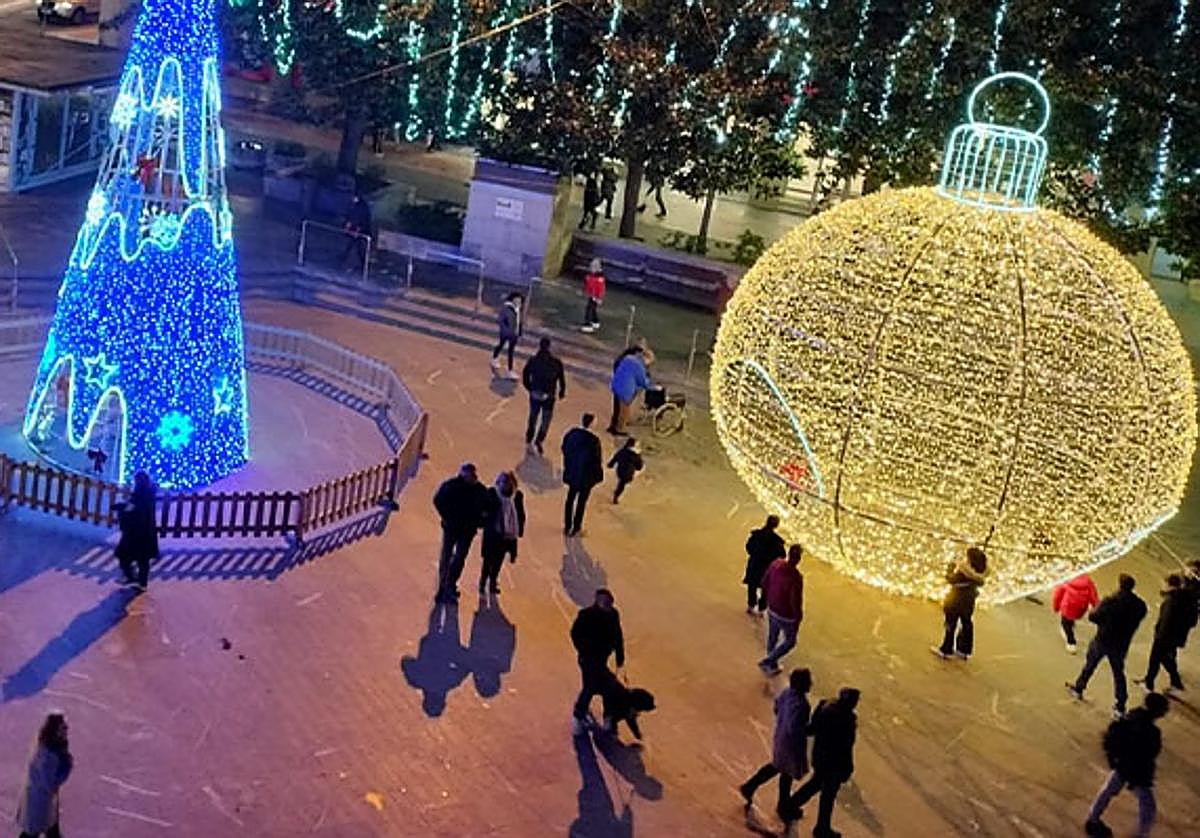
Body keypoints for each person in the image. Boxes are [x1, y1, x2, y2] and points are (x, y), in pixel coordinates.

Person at [1084, 692, 1169, 837]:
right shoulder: (1151, 731)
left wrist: (1113, 760)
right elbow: (1149, 755)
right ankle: (1141, 835)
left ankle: (1093, 821)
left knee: (1108, 790)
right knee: (1148, 805)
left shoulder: (1130, 718)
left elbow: (1110, 737)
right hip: (1136, 772)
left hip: (1122, 765)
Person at [1067, 574, 1147, 717]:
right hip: (1121, 643)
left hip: (1103, 639)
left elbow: (1093, 617)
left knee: (1090, 665)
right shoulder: (1140, 605)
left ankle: (1079, 688)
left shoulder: (1111, 601)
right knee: (1118, 673)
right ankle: (1120, 705)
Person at [783, 687, 859, 836]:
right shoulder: (847, 719)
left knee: (816, 784)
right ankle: (821, 827)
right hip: (834, 763)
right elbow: (846, 746)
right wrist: (848, 767)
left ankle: (792, 805)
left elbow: (812, 729)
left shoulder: (825, 706)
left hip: (820, 756)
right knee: (827, 795)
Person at [739, 667, 812, 822]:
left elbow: (777, 708)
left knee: (782, 769)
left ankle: (777, 801)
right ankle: (754, 789)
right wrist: (808, 730)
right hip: (791, 743)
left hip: (781, 736)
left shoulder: (786, 694)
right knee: (782, 770)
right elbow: (795, 727)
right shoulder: (801, 704)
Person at [432, 463, 489, 603]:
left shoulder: (480, 490)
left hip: (467, 531)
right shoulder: (452, 486)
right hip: (452, 528)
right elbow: (438, 500)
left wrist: (479, 522)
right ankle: (443, 587)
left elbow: (487, 509)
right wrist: (447, 517)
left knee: (459, 558)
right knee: (447, 556)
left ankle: (450, 584)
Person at [571, 588, 625, 734]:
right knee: (591, 686)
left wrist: (620, 655)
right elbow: (575, 634)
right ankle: (579, 715)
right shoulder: (586, 615)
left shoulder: (613, 615)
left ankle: (608, 717)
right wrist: (584, 650)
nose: (607, 606)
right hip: (588, 660)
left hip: (601, 659)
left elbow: (618, 635)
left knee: (607, 687)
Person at [15, 713, 72, 838]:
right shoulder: (48, 755)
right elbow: (51, 783)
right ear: (54, 730)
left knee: (50, 830)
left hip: (42, 799)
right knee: (33, 832)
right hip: (40, 801)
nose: (66, 730)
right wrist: (67, 766)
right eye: (63, 728)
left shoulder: (47, 744)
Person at [1136, 574, 1196, 694]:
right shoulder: (1187, 598)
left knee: (1157, 659)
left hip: (1164, 637)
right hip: (1177, 636)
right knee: (1165, 659)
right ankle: (1156, 681)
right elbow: (1192, 621)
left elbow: (1166, 621)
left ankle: (1151, 684)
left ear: (1170, 585)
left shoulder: (1171, 602)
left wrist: (1159, 636)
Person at [931, 547, 987, 661]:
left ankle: (946, 649)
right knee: (966, 624)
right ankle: (964, 650)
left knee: (950, 624)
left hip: (955, 601)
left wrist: (950, 569)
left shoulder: (964, 572)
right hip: (969, 602)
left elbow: (951, 580)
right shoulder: (980, 574)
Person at [758, 545, 805, 676]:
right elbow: (795, 600)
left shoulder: (775, 564)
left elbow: (764, 581)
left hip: (772, 607)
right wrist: (798, 616)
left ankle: (771, 663)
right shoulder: (796, 577)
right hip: (786, 615)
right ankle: (768, 661)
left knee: (773, 636)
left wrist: (765, 598)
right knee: (790, 641)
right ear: (799, 559)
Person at [479, 471, 525, 595]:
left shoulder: (517, 496)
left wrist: (519, 531)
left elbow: (520, 514)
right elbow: (484, 509)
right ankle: (483, 582)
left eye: (507, 483)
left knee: (498, 561)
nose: (504, 485)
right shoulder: (492, 493)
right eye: (502, 482)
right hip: (493, 534)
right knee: (488, 560)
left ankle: (493, 582)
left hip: (507, 536)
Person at [561, 413, 604, 536]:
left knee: (570, 499)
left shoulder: (572, 434)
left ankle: (567, 525)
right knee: (581, 502)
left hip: (573, 472)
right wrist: (598, 476)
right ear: (591, 424)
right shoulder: (594, 441)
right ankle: (576, 527)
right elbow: (596, 461)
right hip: (585, 477)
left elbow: (564, 448)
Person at [521, 336, 566, 455]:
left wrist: (529, 387)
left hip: (535, 392)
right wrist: (562, 391)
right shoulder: (556, 362)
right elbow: (561, 378)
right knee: (546, 419)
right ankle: (539, 439)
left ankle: (530, 436)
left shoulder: (533, 360)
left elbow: (525, 374)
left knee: (533, 416)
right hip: (549, 395)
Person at [115, 470, 158, 592]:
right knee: (143, 560)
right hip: (147, 532)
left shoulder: (139, 496)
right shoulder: (149, 494)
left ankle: (131, 577)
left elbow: (131, 510)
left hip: (135, 533)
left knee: (123, 555)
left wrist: (121, 508)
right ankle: (141, 582)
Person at [744, 515, 786, 616]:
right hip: (767, 568)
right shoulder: (777, 541)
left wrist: (756, 554)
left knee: (752, 585)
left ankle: (751, 606)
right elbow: (782, 556)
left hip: (755, 563)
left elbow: (748, 547)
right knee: (766, 589)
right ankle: (762, 609)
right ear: (776, 526)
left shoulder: (756, 535)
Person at [607, 346, 651, 436]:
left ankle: (613, 426)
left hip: (617, 385)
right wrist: (651, 384)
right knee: (624, 411)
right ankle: (619, 429)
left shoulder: (628, 358)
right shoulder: (639, 366)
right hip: (625, 389)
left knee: (617, 407)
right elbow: (642, 381)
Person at [1053, 573, 1100, 654]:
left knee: (1065, 624)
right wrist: (1097, 608)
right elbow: (1094, 596)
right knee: (1071, 618)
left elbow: (1058, 595)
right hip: (1080, 609)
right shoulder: (1088, 582)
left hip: (1067, 608)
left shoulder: (1066, 580)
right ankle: (1072, 624)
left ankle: (1071, 642)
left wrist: (1056, 607)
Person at [490, 292, 524, 379]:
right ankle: (495, 359)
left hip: (514, 334)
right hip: (507, 333)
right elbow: (502, 320)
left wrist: (519, 333)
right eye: (516, 300)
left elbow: (519, 322)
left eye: (519, 300)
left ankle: (509, 369)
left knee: (510, 351)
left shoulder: (518, 310)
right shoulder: (507, 308)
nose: (518, 302)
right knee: (502, 345)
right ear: (512, 299)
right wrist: (506, 331)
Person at [341, 193, 372, 271]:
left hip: (360, 231)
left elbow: (362, 220)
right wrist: (348, 226)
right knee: (352, 246)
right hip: (355, 230)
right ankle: (344, 257)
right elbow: (351, 216)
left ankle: (363, 264)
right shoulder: (355, 206)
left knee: (359, 248)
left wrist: (358, 230)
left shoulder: (362, 208)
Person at [607, 437, 643, 504]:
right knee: (622, 484)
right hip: (628, 474)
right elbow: (639, 467)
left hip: (620, 470)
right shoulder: (636, 455)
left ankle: (617, 492)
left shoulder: (622, 451)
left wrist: (610, 464)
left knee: (621, 482)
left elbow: (615, 458)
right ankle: (616, 496)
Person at [582, 258, 605, 333]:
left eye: (593, 267)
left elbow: (601, 289)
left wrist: (599, 298)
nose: (591, 269)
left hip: (595, 296)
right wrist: (584, 291)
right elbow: (587, 284)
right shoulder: (589, 276)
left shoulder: (600, 278)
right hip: (591, 295)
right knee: (593, 309)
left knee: (589, 309)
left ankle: (587, 324)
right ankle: (595, 321)